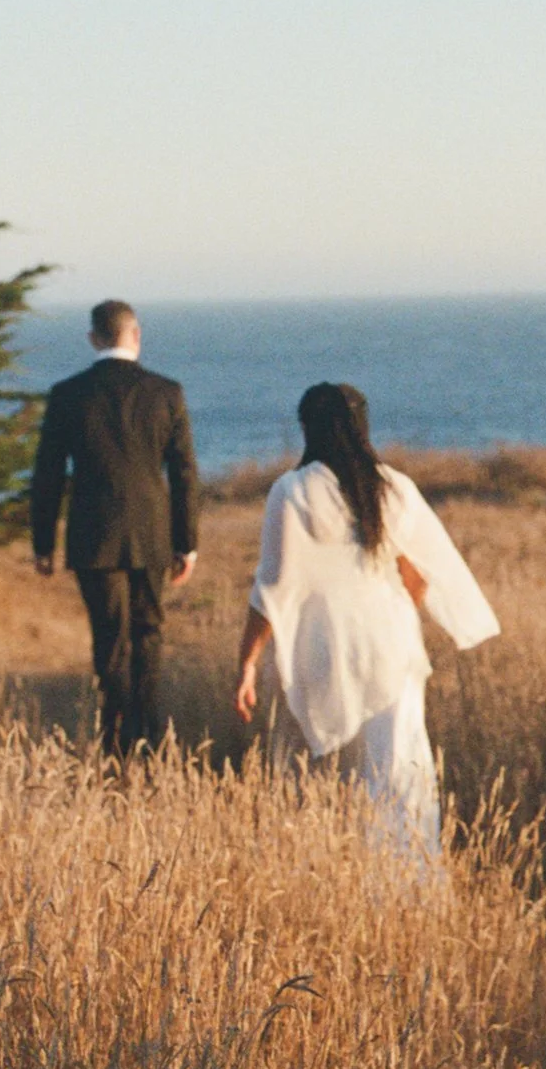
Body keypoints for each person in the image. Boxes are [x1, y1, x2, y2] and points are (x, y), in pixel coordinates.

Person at [233, 383, 499, 862]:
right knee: (400, 773)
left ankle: (338, 876)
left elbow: (272, 587)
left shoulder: (292, 490)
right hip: (391, 645)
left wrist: (247, 661)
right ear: (363, 426)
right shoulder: (395, 487)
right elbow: (420, 575)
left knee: (328, 777)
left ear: (307, 429)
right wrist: (396, 616)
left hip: (323, 647)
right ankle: (409, 885)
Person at [31, 299, 199, 756]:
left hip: (93, 533)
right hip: (152, 533)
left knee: (109, 639)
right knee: (149, 633)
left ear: (93, 338)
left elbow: (48, 473)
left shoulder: (67, 394)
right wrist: (188, 543)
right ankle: (147, 736)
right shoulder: (167, 392)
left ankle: (115, 742)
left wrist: (43, 542)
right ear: (136, 334)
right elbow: (184, 473)